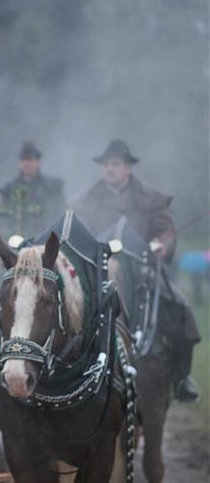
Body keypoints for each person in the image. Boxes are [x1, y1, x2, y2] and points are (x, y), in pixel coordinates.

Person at [73, 139, 201, 402]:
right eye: (107, 164)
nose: (110, 169)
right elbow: (76, 234)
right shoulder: (85, 201)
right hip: (97, 275)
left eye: (116, 164)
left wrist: (162, 245)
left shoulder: (151, 199)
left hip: (144, 272)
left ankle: (181, 379)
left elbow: (166, 231)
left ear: (128, 168)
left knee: (182, 310)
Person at [0, 141, 65, 238]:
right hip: (15, 239)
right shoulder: (9, 188)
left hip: (44, 238)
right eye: (23, 159)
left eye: (30, 159)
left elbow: (59, 212)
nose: (26, 163)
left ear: (39, 161)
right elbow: (3, 218)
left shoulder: (51, 187)